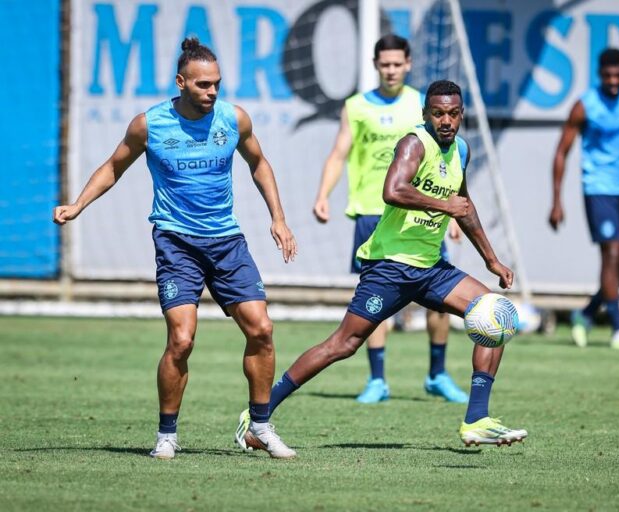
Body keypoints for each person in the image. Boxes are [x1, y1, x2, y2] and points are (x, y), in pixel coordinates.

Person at [237, 80, 528, 450]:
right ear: (425, 115)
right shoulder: (413, 143)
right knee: (342, 344)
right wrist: (444, 206)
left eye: (453, 114)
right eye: (438, 113)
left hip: (431, 268)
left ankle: (477, 420)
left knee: (495, 312)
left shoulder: (462, 151)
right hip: (389, 267)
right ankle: (258, 412)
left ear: (461, 115)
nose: (446, 121)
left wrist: (492, 259)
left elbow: (464, 206)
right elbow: (392, 190)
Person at [53, 38, 298, 459]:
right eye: (203, 85)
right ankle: (167, 435)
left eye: (217, 84)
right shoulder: (148, 124)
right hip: (176, 241)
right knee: (182, 340)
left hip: (226, 242)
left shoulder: (233, 119)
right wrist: (78, 205)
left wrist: (278, 217)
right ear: (181, 82)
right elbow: (114, 167)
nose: (212, 92)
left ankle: (259, 426)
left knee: (262, 329)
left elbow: (259, 162)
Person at [312, 34, 467, 403]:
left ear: (408, 64)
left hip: (426, 213)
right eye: (385, 64)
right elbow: (339, 153)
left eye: (398, 64)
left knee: (442, 295)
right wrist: (322, 194)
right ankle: (377, 379)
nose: (392, 70)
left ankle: (438, 373)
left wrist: (454, 212)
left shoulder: (425, 104)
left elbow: (449, 160)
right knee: (376, 301)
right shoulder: (356, 106)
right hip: (372, 210)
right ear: (376, 65)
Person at [548, 48, 619, 350]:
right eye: (608, 75)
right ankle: (618, 327)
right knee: (610, 254)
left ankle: (586, 313)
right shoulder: (584, 106)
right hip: (598, 188)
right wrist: (557, 200)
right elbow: (562, 151)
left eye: (618, 75)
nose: (613, 80)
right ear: (600, 75)